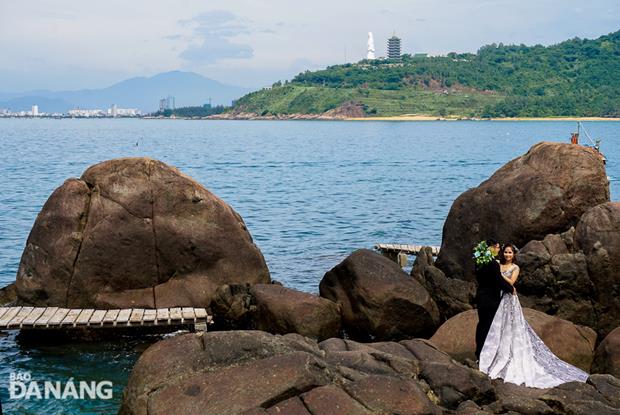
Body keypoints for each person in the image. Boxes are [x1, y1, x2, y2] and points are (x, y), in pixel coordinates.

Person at [479, 243, 589, 388]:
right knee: (500, 327)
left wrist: (498, 275)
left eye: (510, 253)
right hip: (498, 298)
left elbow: (511, 282)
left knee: (512, 327)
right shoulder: (497, 264)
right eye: (505, 252)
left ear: (514, 255)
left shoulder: (515, 268)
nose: (507, 255)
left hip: (509, 299)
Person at [474, 239, 514, 360]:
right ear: (490, 248)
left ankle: (479, 353)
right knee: (489, 326)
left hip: (481, 297)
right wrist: (511, 289)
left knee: (481, 325)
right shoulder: (493, 264)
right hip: (491, 299)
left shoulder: (479, 262)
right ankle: (486, 354)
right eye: (497, 247)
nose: (498, 250)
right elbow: (499, 281)